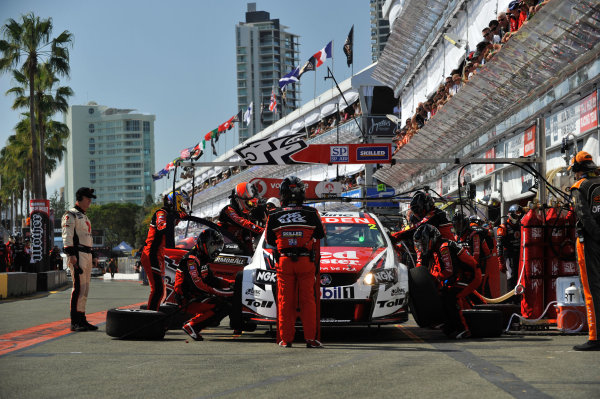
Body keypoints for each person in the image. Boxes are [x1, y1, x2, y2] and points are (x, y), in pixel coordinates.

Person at [265, 176, 325, 348]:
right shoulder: (312, 213)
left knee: (285, 301)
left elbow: (269, 239)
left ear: (282, 193)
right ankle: (310, 339)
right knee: (308, 301)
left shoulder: (274, 215)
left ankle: (286, 339)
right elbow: (320, 235)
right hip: (306, 261)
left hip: (284, 262)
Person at [413, 224, 480, 339]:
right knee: (442, 295)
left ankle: (463, 329)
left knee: (451, 297)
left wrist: (434, 278)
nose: (422, 246)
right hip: (460, 276)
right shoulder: (438, 248)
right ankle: (450, 325)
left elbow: (449, 271)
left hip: (471, 276)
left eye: (423, 242)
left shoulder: (444, 247)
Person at [174, 229, 233, 341]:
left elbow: (211, 279)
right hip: (188, 299)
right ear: (204, 244)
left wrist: (230, 284)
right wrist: (220, 292)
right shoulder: (191, 260)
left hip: (197, 295)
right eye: (213, 246)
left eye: (217, 247)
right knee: (221, 305)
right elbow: (197, 284)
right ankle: (192, 325)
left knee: (227, 302)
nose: (215, 250)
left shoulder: (203, 258)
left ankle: (195, 323)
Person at [568, 151, 600, 351]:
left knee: (591, 288)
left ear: (577, 170)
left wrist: (596, 235)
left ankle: (595, 337)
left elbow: (584, 216)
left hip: (590, 242)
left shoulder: (580, 187)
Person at [141, 190, 189, 311]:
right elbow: (162, 226)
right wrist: (175, 217)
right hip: (151, 253)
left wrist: (177, 217)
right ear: (175, 202)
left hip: (159, 254)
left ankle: (153, 313)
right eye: (181, 203)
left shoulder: (169, 214)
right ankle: (150, 317)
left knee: (159, 290)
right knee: (157, 290)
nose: (183, 206)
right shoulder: (161, 213)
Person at [62, 187, 98, 332]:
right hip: (77, 254)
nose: (90, 201)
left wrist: (94, 255)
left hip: (86, 254)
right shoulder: (70, 215)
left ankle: (82, 319)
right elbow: (67, 236)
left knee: (85, 288)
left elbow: (88, 238)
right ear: (80, 198)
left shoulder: (84, 216)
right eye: (88, 198)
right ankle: (75, 321)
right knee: (78, 288)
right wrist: (71, 255)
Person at [454, 212, 500, 298]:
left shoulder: (474, 234)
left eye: (460, 224)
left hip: (478, 265)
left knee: (479, 289)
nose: (458, 227)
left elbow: (476, 254)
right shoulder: (457, 237)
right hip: (464, 268)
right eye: (456, 225)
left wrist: (470, 267)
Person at [217, 182, 264, 255]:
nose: (251, 206)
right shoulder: (228, 210)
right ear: (237, 200)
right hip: (222, 247)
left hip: (237, 250)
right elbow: (242, 222)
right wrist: (262, 231)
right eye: (250, 203)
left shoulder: (245, 214)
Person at [497, 204, 523, 301]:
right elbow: (499, 245)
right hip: (509, 255)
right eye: (516, 215)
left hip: (520, 255)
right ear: (510, 215)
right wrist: (500, 261)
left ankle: (519, 299)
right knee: (511, 278)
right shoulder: (503, 227)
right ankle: (511, 301)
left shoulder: (521, 225)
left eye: (519, 216)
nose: (518, 218)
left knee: (519, 277)